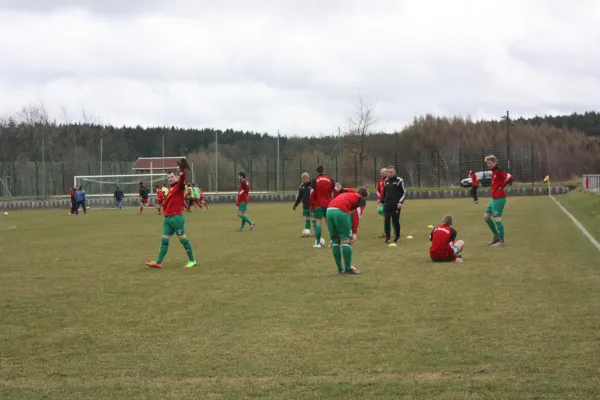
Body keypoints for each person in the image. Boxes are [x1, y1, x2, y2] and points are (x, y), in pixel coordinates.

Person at [146, 158, 197, 269]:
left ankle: (192, 260)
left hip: (176, 218)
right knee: (164, 240)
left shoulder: (179, 186)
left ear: (177, 177)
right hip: (168, 219)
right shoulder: (170, 189)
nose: (170, 179)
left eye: (172, 176)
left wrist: (182, 169)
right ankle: (158, 262)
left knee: (183, 239)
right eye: (168, 177)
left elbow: (183, 177)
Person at [326, 187, 368, 275]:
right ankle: (348, 269)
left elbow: (351, 213)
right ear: (364, 196)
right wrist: (354, 233)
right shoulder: (361, 200)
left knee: (335, 241)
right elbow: (356, 215)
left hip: (329, 210)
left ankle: (340, 269)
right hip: (340, 211)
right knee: (346, 240)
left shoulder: (349, 195)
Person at [484, 155, 513, 246]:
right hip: (494, 199)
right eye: (487, 163)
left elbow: (510, 177)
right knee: (486, 217)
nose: (488, 165)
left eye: (490, 163)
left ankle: (501, 241)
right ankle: (496, 236)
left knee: (497, 219)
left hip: (499, 198)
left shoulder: (498, 171)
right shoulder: (493, 172)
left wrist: (502, 186)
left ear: (494, 163)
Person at [310, 165, 335, 248]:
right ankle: (333, 241)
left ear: (317, 171)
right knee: (329, 223)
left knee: (318, 223)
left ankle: (318, 243)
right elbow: (334, 191)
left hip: (318, 204)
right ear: (324, 170)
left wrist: (312, 204)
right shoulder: (330, 179)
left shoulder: (315, 180)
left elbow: (312, 193)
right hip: (329, 204)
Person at [381, 166, 406, 244]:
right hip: (387, 204)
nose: (390, 173)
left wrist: (400, 202)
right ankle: (388, 237)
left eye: (391, 172)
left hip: (396, 205)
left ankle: (397, 236)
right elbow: (384, 193)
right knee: (387, 220)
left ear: (394, 172)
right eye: (388, 172)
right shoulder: (386, 181)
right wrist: (381, 201)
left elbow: (404, 192)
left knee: (395, 221)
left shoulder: (399, 180)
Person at [376, 168, 387, 237]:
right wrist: (379, 199)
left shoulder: (388, 181)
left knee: (392, 217)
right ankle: (386, 233)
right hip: (382, 201)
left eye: (382, 173)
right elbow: (378, 191)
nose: (381, 174)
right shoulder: (380, 182)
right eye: (380, 173)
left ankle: (395, 232)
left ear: (386, 173)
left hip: (388, 201)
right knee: (383, 214)